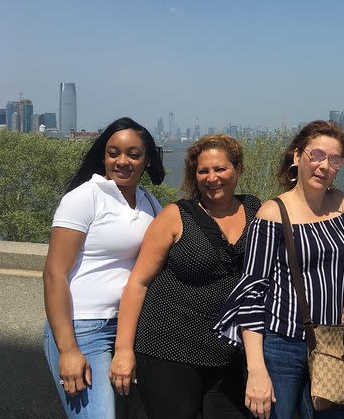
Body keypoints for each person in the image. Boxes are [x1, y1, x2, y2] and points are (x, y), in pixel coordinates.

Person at [213, 120, 344, 419]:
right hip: (280, 347)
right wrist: (257, 369)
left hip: (332, 343)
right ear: (297, 157)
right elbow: (252, 292)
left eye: (334, 159)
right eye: (316, 155)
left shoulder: (342, 205)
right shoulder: (273, 213)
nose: (324, 166)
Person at [109, 134, 260, 419]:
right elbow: (138, 283)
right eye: (203, 171)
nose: (211, 177)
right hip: (168, 348)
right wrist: (123, 350)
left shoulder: (256, 211)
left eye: (220, 169)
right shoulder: (176, 216)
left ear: (238, 170)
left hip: (227, 354)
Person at [42, 117, 164, 419]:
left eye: (133, 154)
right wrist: (68, 349)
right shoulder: (85, 197)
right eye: (113, 153)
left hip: (129, 329)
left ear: (147, 160)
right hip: (83, 329)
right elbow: (54, 273)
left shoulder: (151, 203)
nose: (122, 161)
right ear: (103, 156)